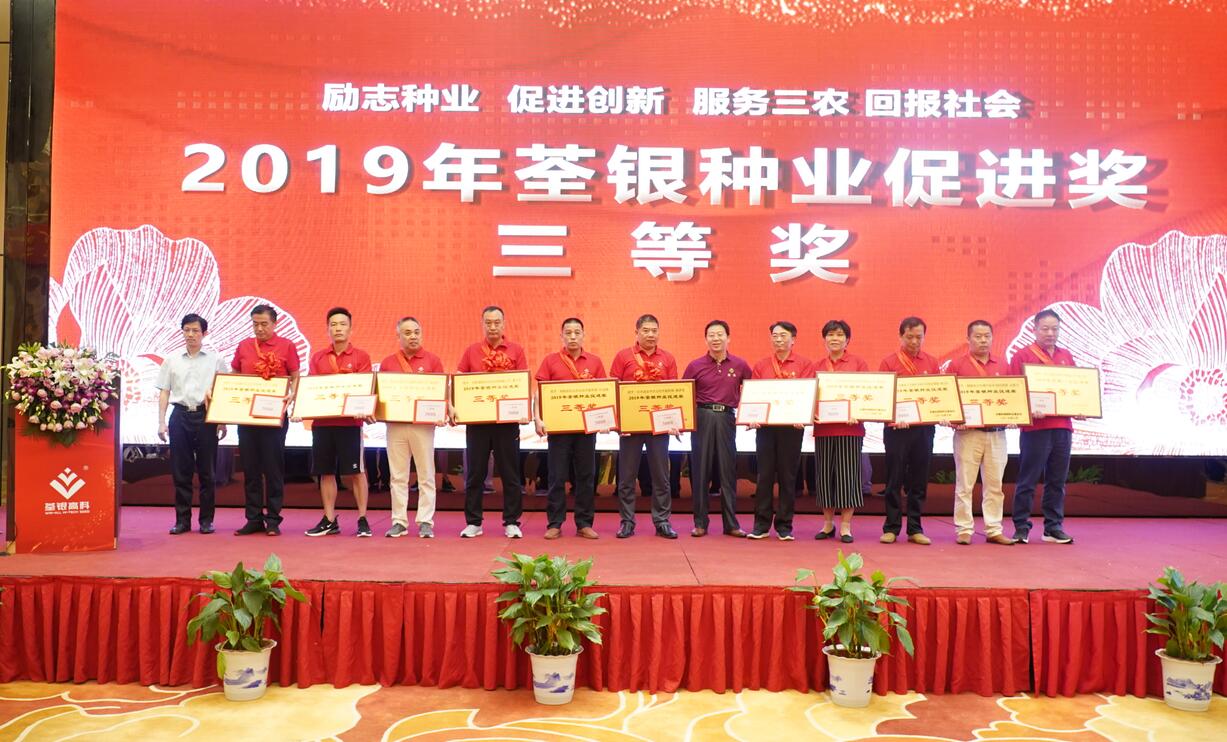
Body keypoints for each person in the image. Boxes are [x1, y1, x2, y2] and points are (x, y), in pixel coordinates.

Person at [457, 306, 529, 538]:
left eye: (497, 322)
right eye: (488, 323)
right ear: (482, 324)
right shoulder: (471, 351)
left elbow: (522, 383)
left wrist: (523, 409)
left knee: (510, 473)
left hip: (506, 423)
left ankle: (511, 521)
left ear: (504, 324)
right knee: (475, 473)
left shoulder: (516, 350)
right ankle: (474, 522)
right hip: (478, 421)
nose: (493, 327)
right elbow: (460, 381)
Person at [302, 308, 374, 538]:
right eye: (333, 325)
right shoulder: (318, 358)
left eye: (342, 324)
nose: (338, 329)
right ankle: (329, 519)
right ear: (328, 330)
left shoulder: (361, 357)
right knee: (325, 472)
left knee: (356, 472)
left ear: (350, 329)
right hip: (323, 423)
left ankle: (362, 518)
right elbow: (311, 390)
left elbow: (365, 389)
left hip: (350, 425)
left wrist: (365, 408)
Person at [1008, 309, 1077, 545]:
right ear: (1035, 329)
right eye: (1045, 328)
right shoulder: (1022, 355)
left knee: (1057, 480)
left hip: (1063, 426)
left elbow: (1076, 390)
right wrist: (1027, 409)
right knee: (1028, 480)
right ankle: (1021, 527)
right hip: (1035, 428)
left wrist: (1080, 407)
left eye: (1055, 329)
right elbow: (1013, 390)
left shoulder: (1066, 355)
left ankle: (1053, 527)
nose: (1050, 333)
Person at [156, 313, 229, 535]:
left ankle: (206, 520)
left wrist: (222, 421)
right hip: (179, 416)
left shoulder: (216, 360)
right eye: (186, 330)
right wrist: (161, 422)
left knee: (208, 472)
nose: (190, 334)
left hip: (206, 417)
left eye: (195, 330)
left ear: (204, 333)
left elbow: (223, 392)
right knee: (181, 471)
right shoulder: (171, 360)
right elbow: (164, 392)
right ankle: (182, 521)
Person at [231, 304, 300, 536]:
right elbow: (234, 374)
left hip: (273, 416)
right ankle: (253, 518)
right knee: (250, 469)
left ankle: (273, 519)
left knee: (273, 469)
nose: (259, 329)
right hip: (247, 416)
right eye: (255, 324)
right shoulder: (244, 346)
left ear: (274, 324)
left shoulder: (286, 346)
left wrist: (292, 394)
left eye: (264, 324)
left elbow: (295, 375)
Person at [534, 317, 606, 539]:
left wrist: (604, 420)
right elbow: (540, 393)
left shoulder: (595, 362)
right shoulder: (550, 361)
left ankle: (584, 523)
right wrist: (537, 418)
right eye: (568, 333)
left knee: (586, 476)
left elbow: (603, 394)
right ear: (561, 336)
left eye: (577, 332)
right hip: (559, 429)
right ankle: (555, 523)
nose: (572, 337)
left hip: (585, 430)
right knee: (556, 476)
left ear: (584, 335)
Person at [609, 314, 680, 539]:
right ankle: (627, 522)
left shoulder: (667, 358)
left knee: (661, 477)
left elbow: (673, 394)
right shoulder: (623, 356)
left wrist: (673, 422)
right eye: (646, 330)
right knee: (626, 478)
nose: (650, 334)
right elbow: (613, 391)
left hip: (658, 427)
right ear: (637, 332)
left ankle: (662, 521)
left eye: (654, 330)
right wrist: (618, 422)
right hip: (630, 426)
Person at [683, 320, 753, 537]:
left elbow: (753, 392)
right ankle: (700, 523)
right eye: (711, 335)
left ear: (728, 338)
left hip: (726, 417)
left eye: (720, 334)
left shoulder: (740, 365)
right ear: (706, 339)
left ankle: (731, 524)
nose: (716, 338)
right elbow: (682, 395)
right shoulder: (695, 365)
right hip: (702, 417)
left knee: (727, 470)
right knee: (700, 470)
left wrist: (753, 416)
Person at [949, 320, 1015, 546]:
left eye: (987, 336)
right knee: (964, 484)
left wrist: (1014, 416)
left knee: (995, 485)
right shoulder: (957, 365)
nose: (983, 340)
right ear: (968, 339)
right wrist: (953, 419)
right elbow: (949, 399)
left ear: (993, 338)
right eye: (978, 336)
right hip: (968, 434)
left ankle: (994, 529)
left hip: (997, 434)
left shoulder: (1003, 364)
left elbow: (1012, 397)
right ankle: (964, 529)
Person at [380, 316, 446, 538]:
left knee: (426, 474)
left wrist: (441, 411)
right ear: (398, 336)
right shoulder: (388, 363)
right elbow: (381, 394)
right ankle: (399, 521)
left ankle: (425, 521)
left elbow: (441, 392)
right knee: (398, 476)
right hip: (396, 424)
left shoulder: (432, 361)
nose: (413, 336)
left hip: (422, 426)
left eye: (416, 332)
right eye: (407, 333)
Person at [878, 316, 940, 545]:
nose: (914, 341)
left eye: (919, 337)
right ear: (900, 336)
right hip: (896, 430)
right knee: (894, 478)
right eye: (910, 337)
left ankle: (915, 528)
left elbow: (937, 395)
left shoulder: (932, 362)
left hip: (923, 429)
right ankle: (891, 527)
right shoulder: (889, 362)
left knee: (919, 479)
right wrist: (894, 417)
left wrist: (942, 411)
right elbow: (883, 397)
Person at [746, 321, 811, 540]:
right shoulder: (762, 365)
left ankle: (784, 525)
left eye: (783, 335)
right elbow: (754, 396)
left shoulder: (804, 364)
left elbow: (808, 394)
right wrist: (753, 417)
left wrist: (803, 415)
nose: (778, 339)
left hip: (792, 428)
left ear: (793, 339)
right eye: (774, 336)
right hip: (765, 428)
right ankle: (761, 524)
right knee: (764, 476)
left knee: (788, 476)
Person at [812, 320, 868, 543]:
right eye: (830, 335)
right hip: (824, 429)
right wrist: (810, 414)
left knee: (848, 477)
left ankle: (846, 526)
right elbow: (809, 397)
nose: (834, 339)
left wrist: (859, 413)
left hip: (850, 429)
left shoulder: (858, 363)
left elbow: (867, 394)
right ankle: (828, 524)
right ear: (824, 339)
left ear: (847, 340)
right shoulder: (817, 366)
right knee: (825, 477)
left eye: (839, 335)